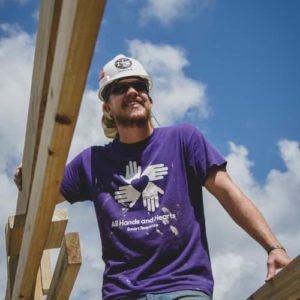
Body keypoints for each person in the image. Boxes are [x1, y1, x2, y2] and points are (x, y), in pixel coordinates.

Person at [15, 54, 291, 300]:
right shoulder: (92, 162)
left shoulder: (183, 139)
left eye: (140, 85)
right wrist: (27, 180)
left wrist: (273, 247)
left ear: (150, 97)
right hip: (124, 292)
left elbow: (229, 193)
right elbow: (44, 196)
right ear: (107, 108)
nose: (132, 91)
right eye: (119, 88)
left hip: (183, 285)